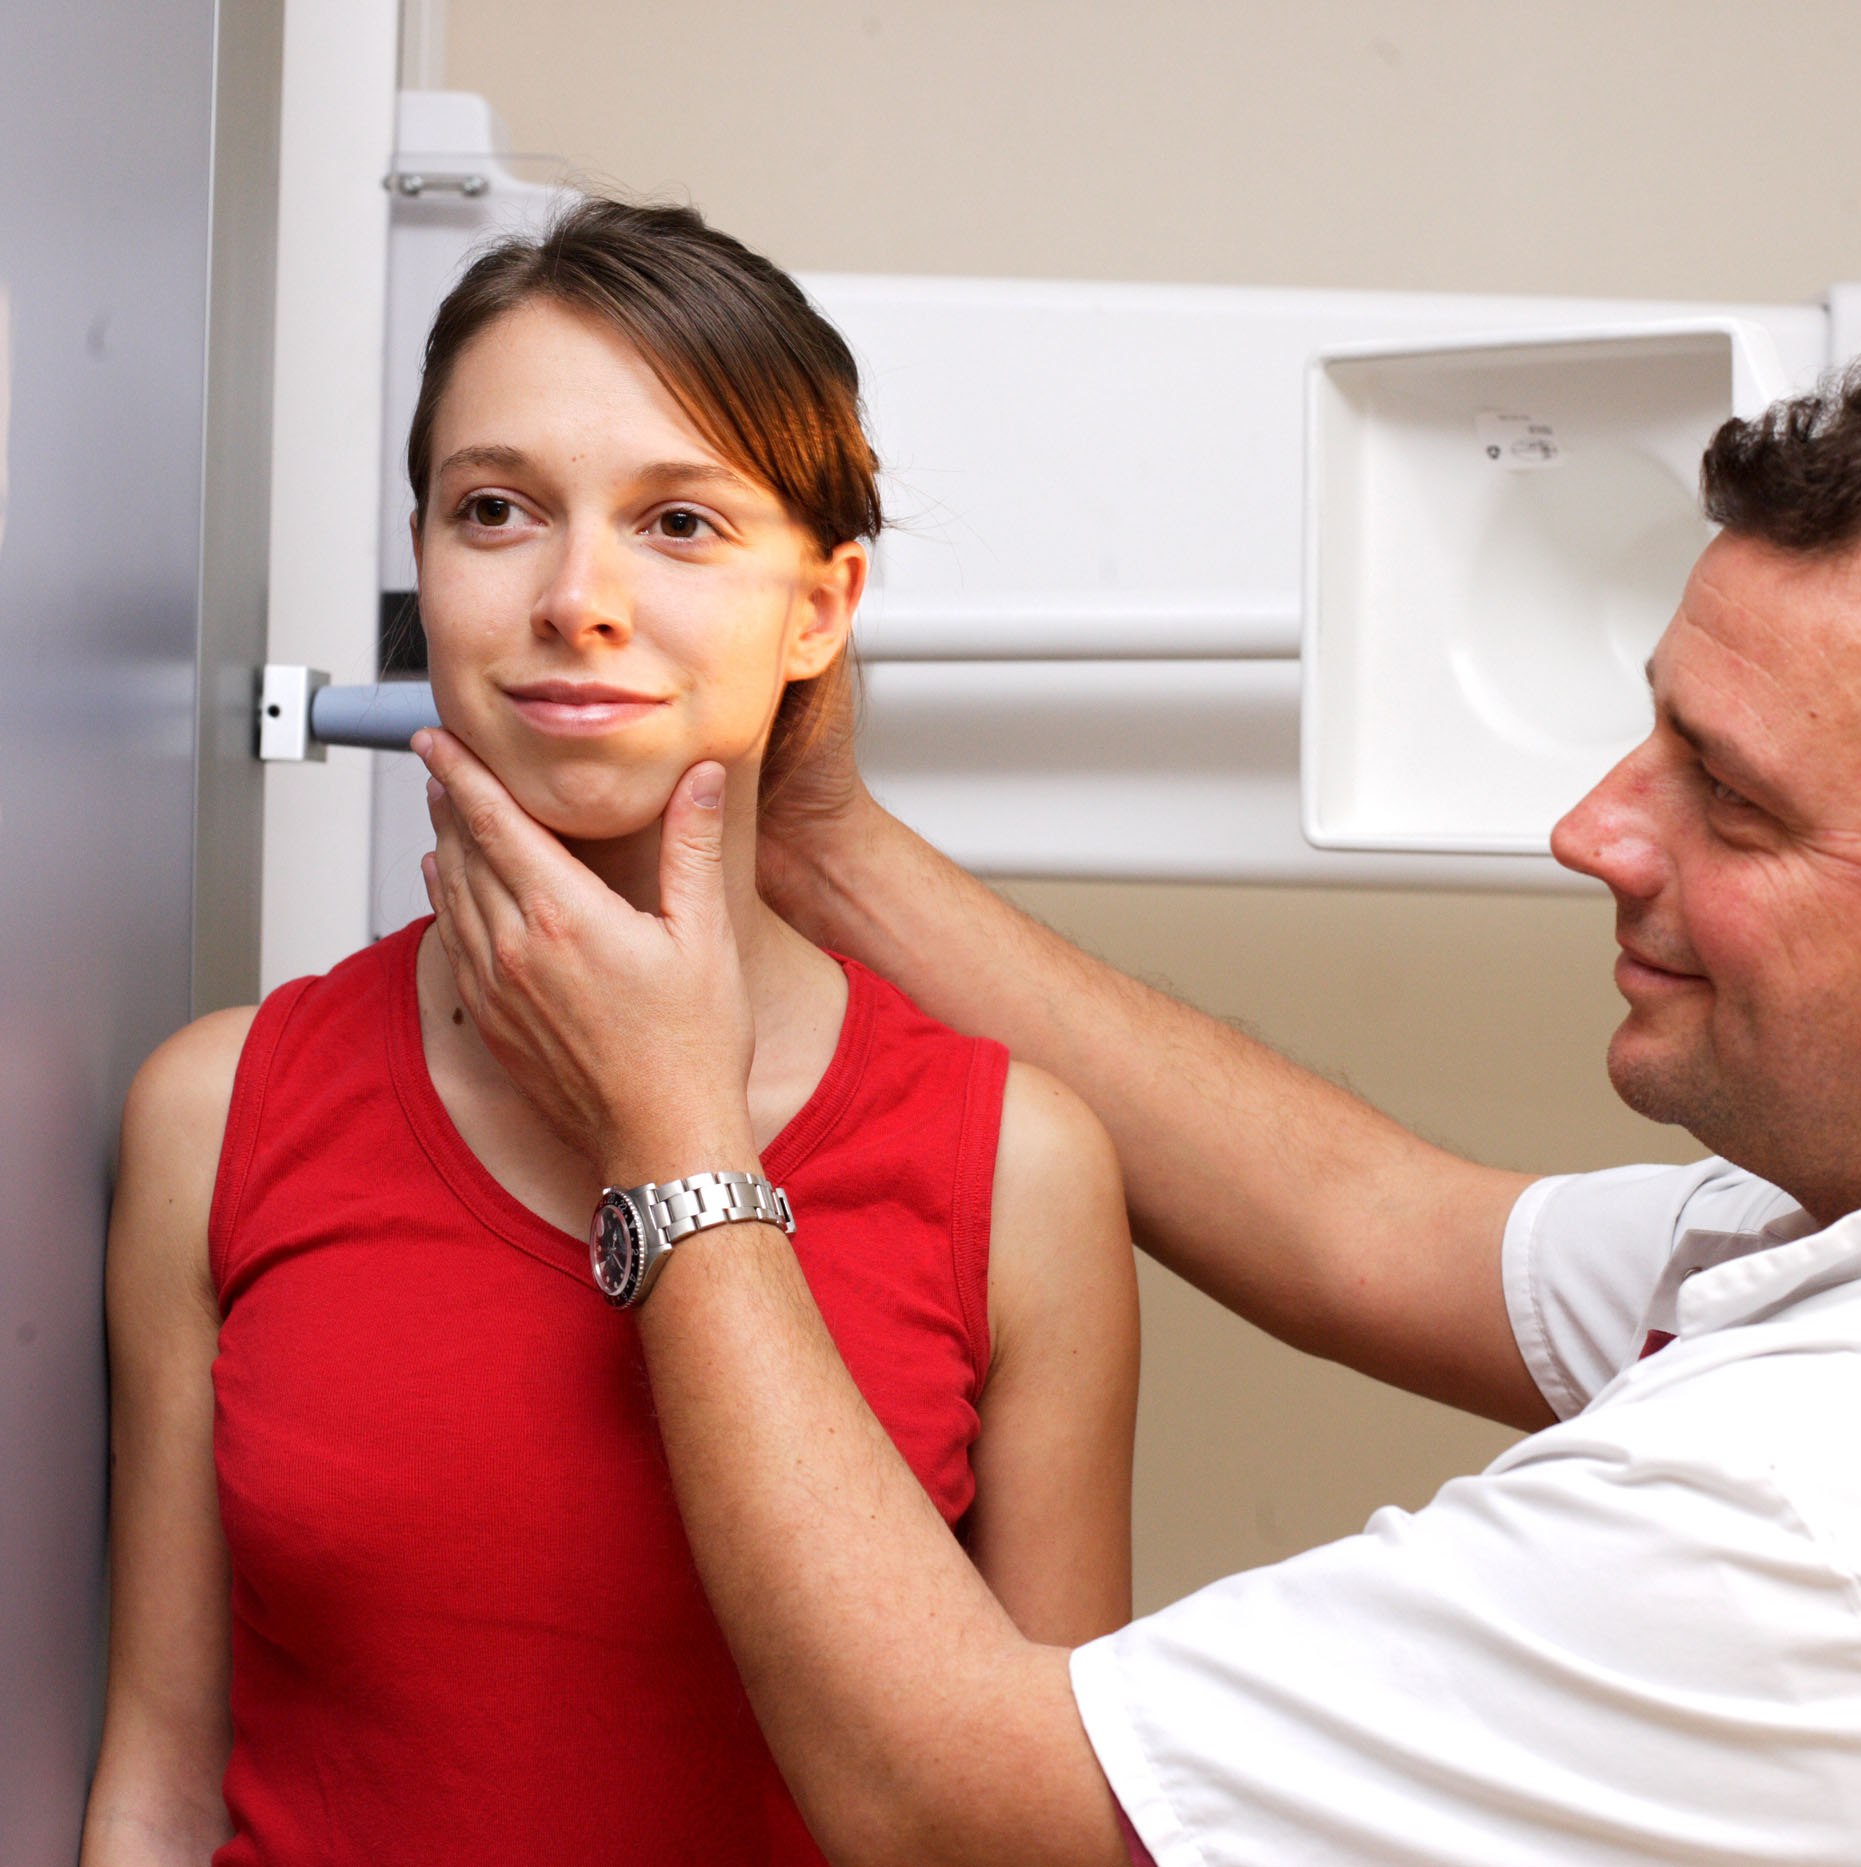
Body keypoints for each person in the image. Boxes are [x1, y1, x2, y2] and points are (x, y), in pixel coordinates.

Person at [413, 340, 1861, 1866]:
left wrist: (674, 1139)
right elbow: (1372, 1224)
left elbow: (957, 1805)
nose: (1592, 830)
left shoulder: (1850, 1517)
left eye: (1731, 801)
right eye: (1655, 730)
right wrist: (828, 849)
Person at [78, 201, 1140, 1867]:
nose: (577, 598)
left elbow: (1040, 1840)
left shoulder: (1018, 1174)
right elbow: (157, 1779)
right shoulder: (218, 1113)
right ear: (424, 567)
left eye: (680, 522)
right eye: (495, 511)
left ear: (821, 608)